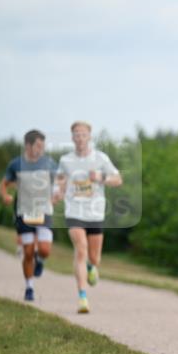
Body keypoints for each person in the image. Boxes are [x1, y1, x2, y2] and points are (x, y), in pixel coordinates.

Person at [52, 121, 122, 314]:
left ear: (89, 137)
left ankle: (92, 267)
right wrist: (57, 193)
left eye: (83, 134)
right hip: (74, 211)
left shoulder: (100, 158)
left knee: (94, 257)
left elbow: (118, 179)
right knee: (81, 250)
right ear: (72, 137)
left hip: (95, 212)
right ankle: (82, 297)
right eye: (76, 134)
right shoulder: (66, 160)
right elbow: (60, 182)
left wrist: (101, 178)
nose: (80, 138)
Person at [0, 129, 57, 301]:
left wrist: (57, 194)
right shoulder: (16, 164)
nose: (41, 149)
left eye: (42, 146)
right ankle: (29, 287)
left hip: (44, 211)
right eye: (38, 146)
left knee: (44, 250)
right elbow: (4, 184)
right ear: (28, 145)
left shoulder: (49, 163)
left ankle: (41, 260)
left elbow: (60, 182)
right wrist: (5, 196)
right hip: (23, 212)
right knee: (28, 252)